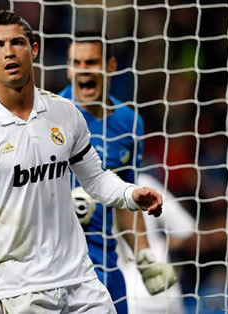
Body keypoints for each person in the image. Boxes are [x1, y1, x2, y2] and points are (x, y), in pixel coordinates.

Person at [0, 10, 163, 314]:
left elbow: (95, 178)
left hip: (79, 278)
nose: (9, 52)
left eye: (17, 42)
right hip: (20, 289)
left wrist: (130, 194)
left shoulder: (64, 113)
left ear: (34, 49)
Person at [59, 31, 177, 313]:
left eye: (91, 62)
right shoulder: (51, 114)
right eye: (76, 63)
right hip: (58, 264)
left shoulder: (129, 123)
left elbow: (126, 200)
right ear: (68, 68)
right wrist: (65, 204)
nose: (83, 70)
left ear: (110, 66)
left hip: (105, 260)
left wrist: (145, 256)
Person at [117, 173, 195, 313]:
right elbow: (185, 229)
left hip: (125, 294)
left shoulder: (85, 186)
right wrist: (157, 245)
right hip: (164, 285)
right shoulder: (143, 182)